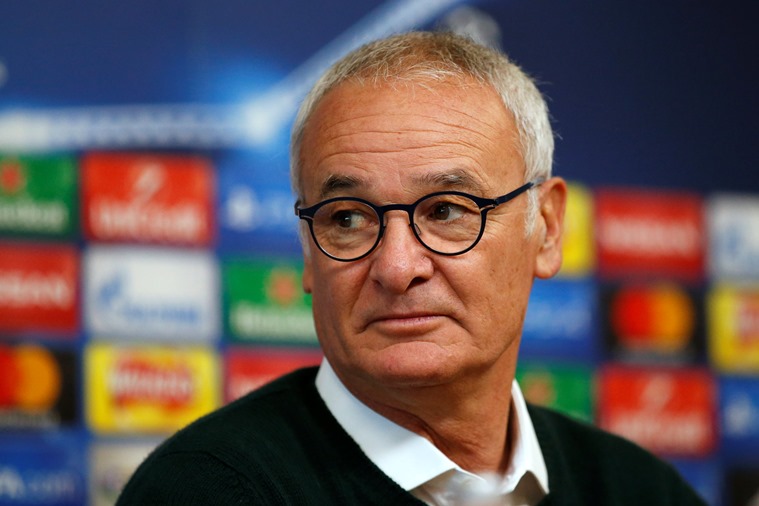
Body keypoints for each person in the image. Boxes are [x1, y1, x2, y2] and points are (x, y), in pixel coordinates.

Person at [117, 31, 706, 505]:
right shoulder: (209, 491)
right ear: (306, 250)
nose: (397, 267)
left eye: (447, 210)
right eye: (347, 219)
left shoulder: (637, 487)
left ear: (547, 229)